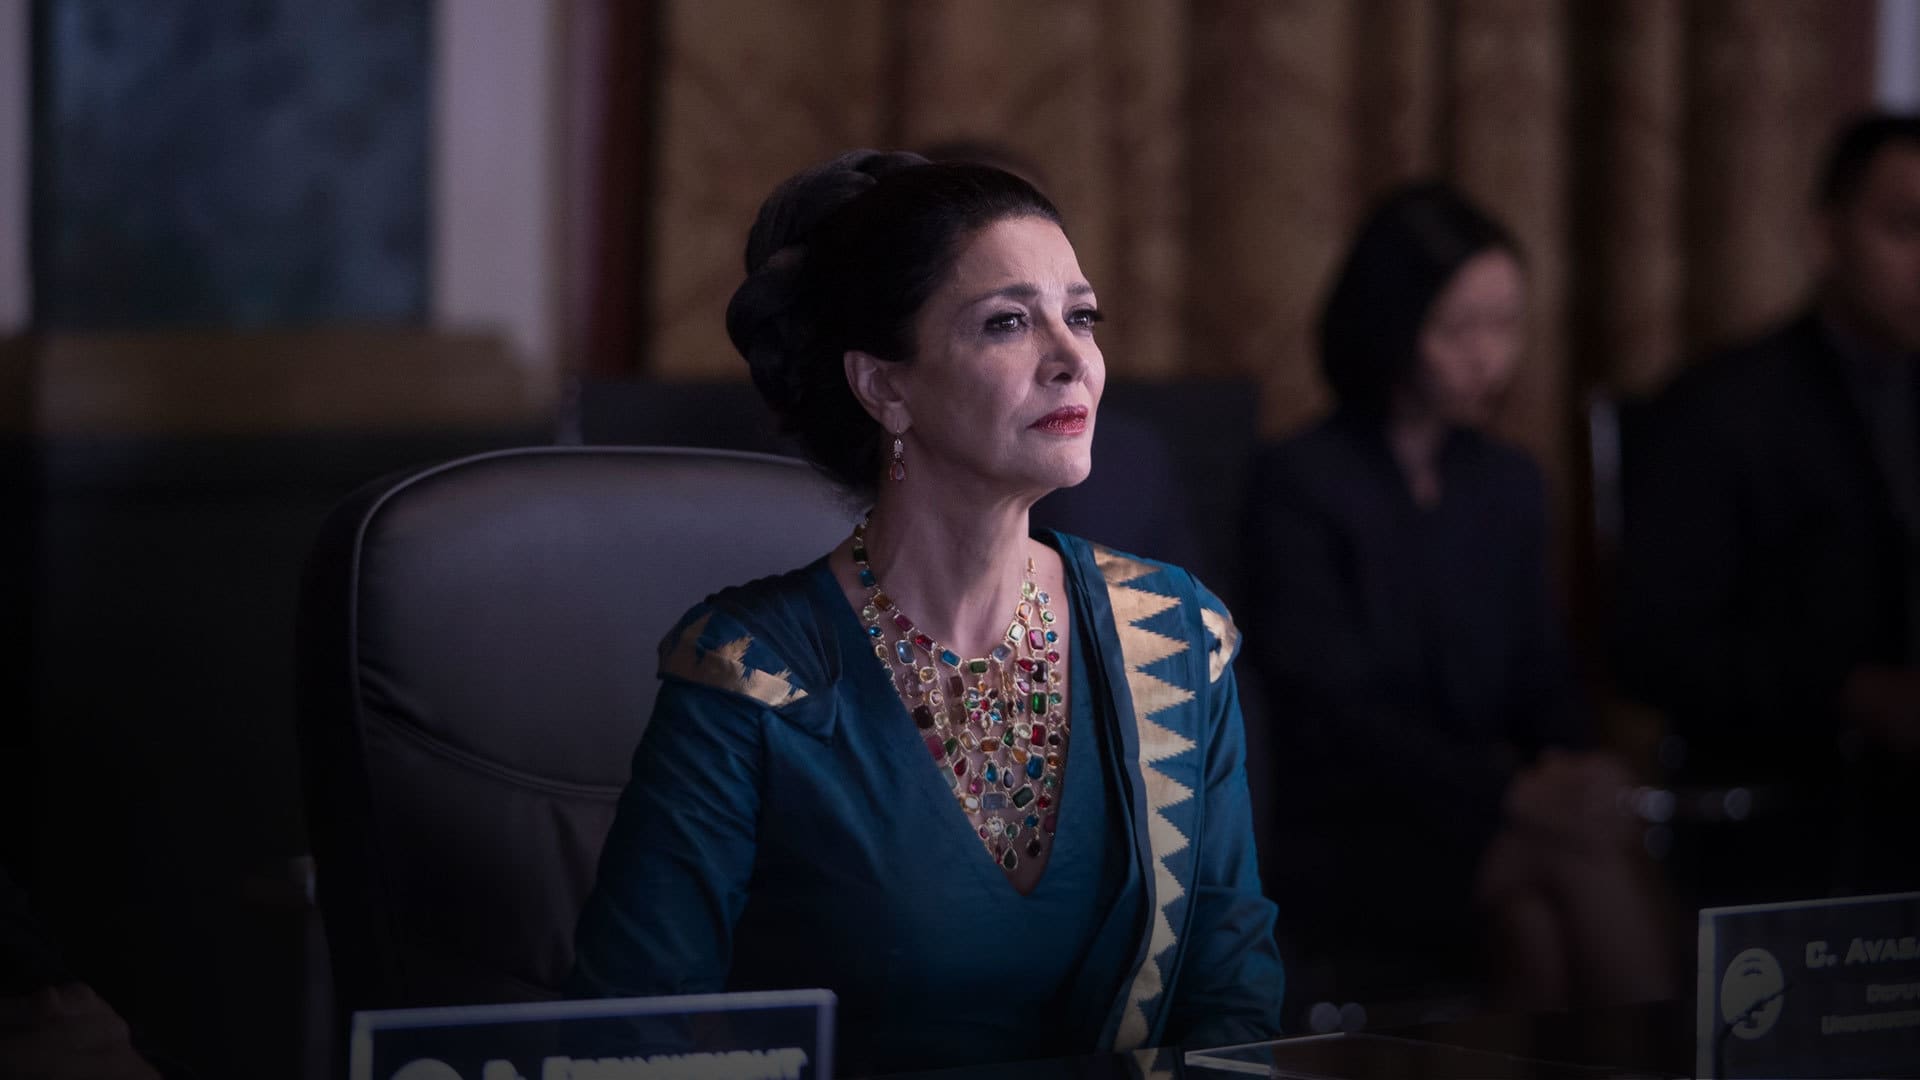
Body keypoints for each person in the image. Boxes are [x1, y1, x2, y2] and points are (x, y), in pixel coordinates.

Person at [570, 151, 1283, 1074]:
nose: (1073, 360)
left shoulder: (1176, 638)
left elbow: (1234, 1012)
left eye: (1081, 317)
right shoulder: (748, 677)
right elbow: (626, 1043)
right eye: (1008, 323)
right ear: (885, 386)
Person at [1242, 182, 1671, 1012]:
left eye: (1505, 325)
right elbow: (1325, 710)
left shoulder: (1509, 482)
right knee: (1574, 860)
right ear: (1392, 327)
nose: (1489, 357)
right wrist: (1510, 792)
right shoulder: (1301, 481)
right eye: (1459, 329)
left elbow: (1541, 673)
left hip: (1490, 815)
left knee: (1536, 930)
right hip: (1356, 827)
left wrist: (1572, 767)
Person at [1616, 112, 1920, 901]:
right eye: (1904, 228)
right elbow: (1651, 645)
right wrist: (1850, 694)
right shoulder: (1722, 410)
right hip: (1781, 815)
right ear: (1826, 236)